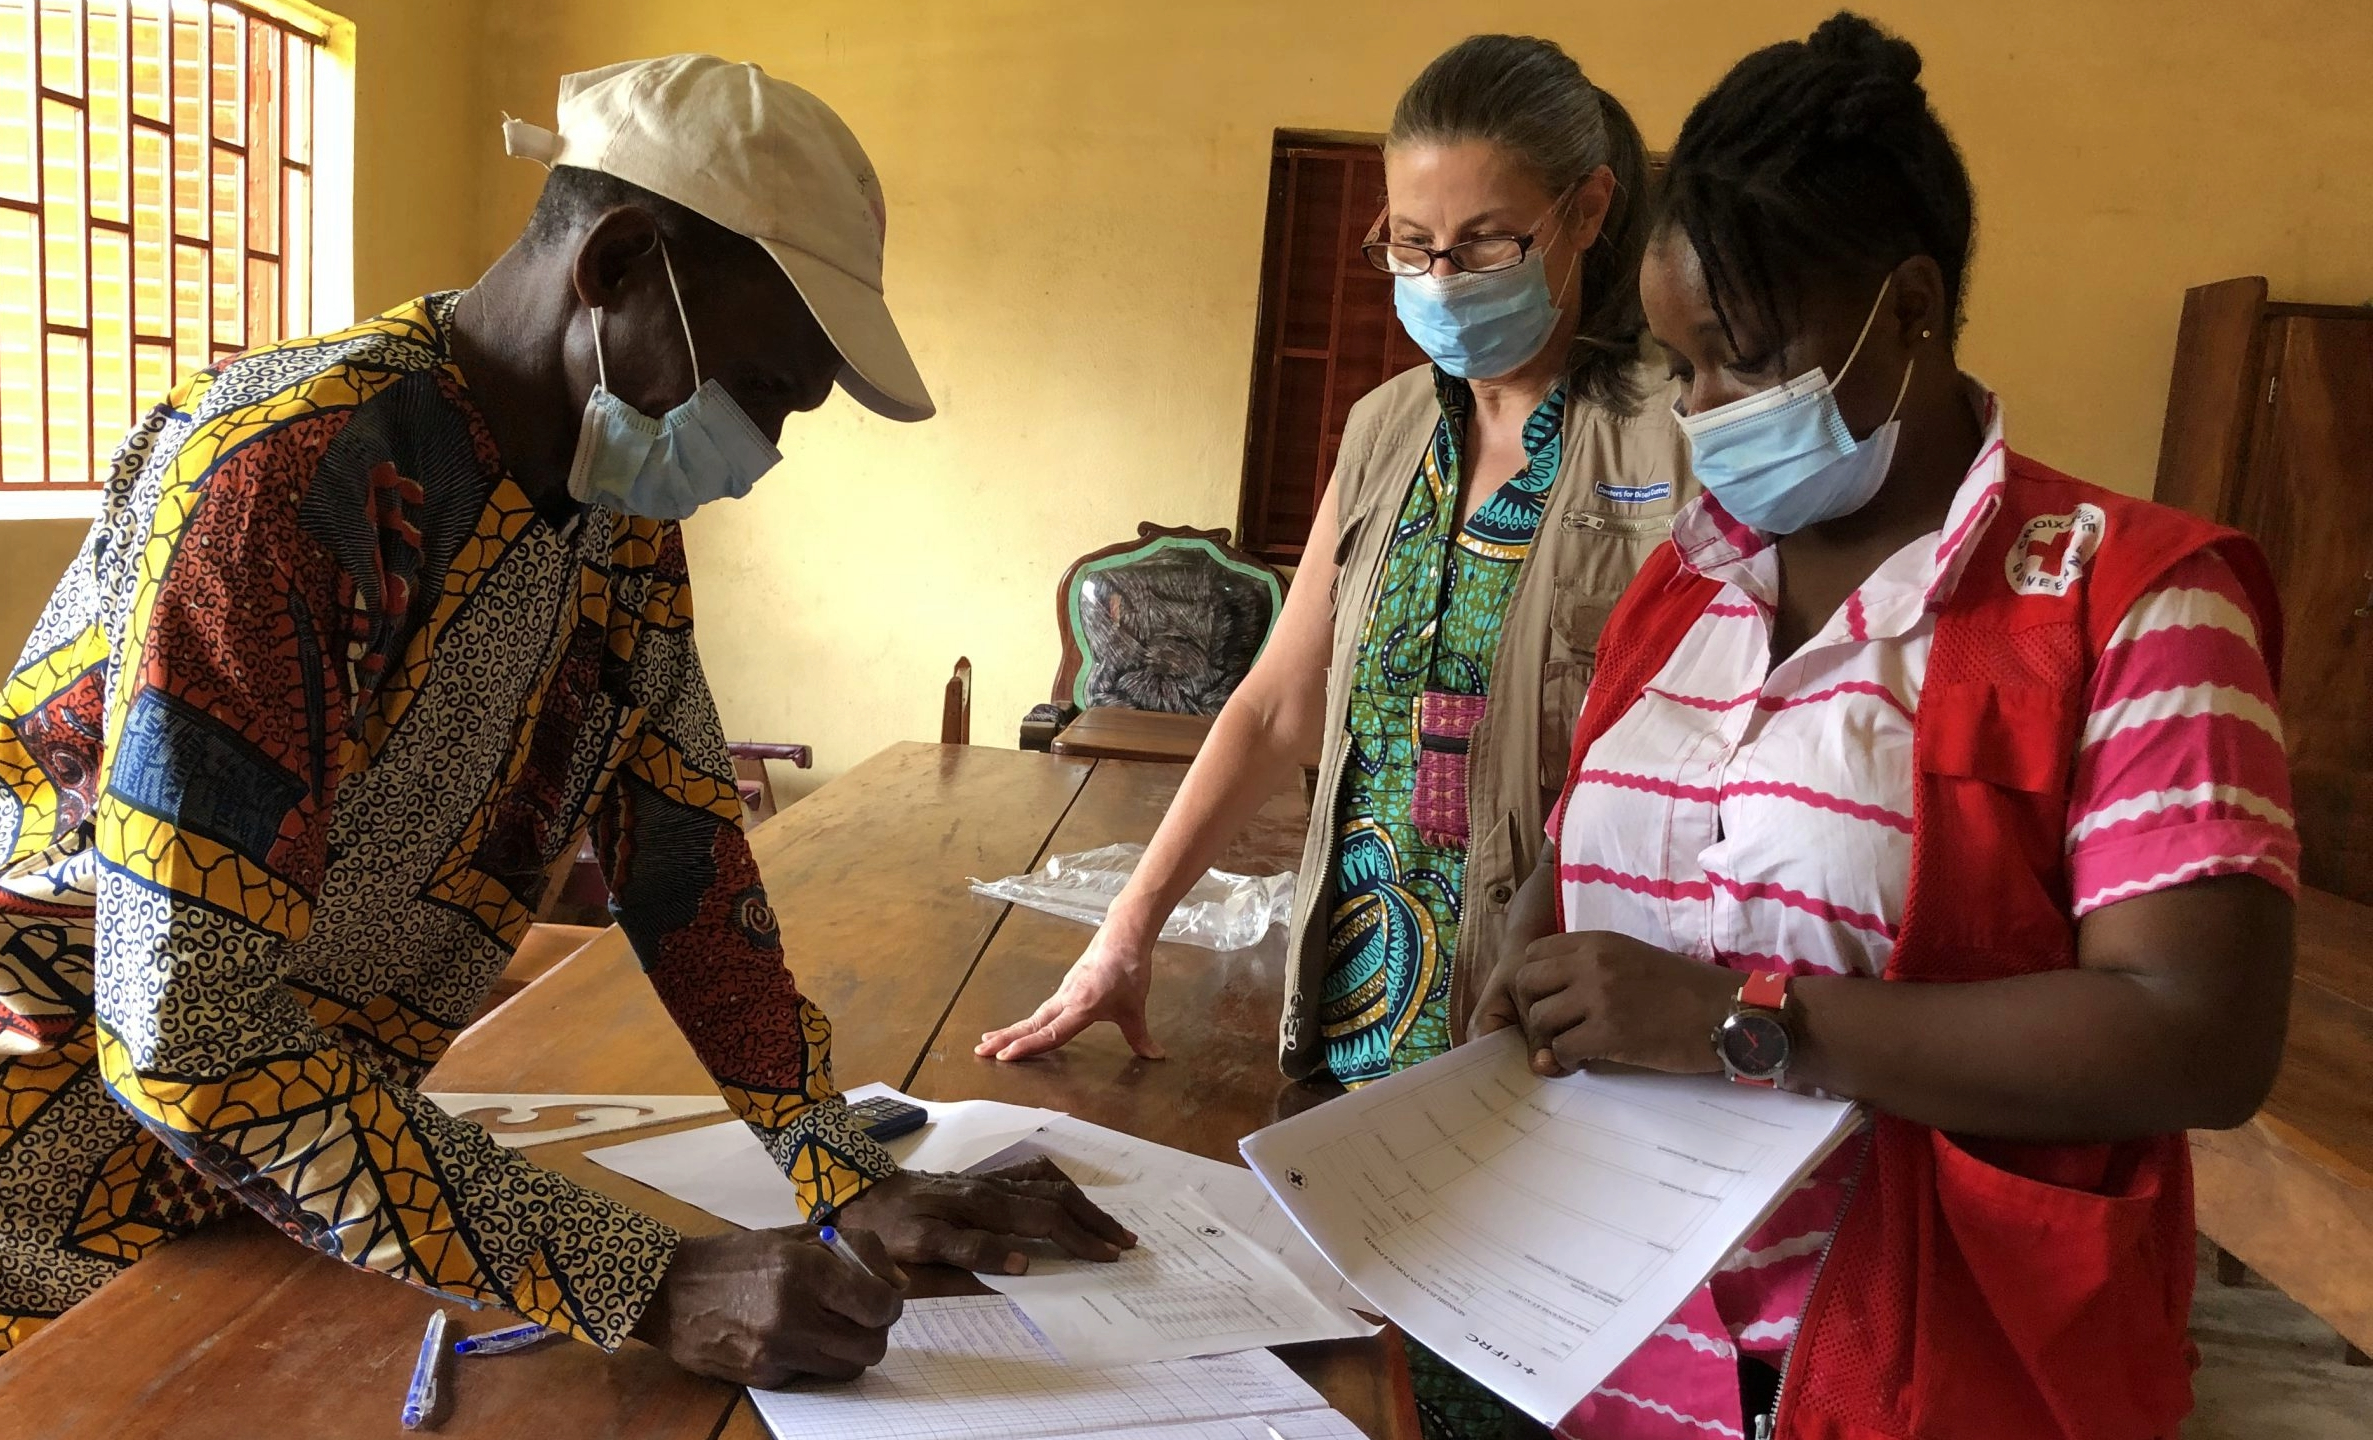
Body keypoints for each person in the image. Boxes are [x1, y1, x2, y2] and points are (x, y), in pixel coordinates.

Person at [0, 55, 1129, 1438]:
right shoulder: (288, 484)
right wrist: (646, 1282)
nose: (764, 449)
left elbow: (678, 852)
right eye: (760, 387)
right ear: (617, 263)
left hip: (267, 1162)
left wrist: (834, 1159)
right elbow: (190, 1037)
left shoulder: (611, 503)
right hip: (3, 1164)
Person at [1467, 15, 2297, 1439]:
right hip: (1621, 1352)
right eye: (1682, 370)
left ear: (1907, 309)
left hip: (1936, 1366)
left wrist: (1742, 1023)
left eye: (1743, 357)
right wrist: (1537, 966)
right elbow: (1618, 844)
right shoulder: (1687, 584)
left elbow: (2199, 1037)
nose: (1706, 411)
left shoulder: (2136, 603)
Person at [982, 34, 1696, 1440]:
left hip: (1550, 1033)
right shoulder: (1384, 430)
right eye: (1411, 243)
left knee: (1514, 1393)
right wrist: (1130, 928)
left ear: (1588, 213)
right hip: (1352, 1030)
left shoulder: (1670, 439)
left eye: (1486, 240)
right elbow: (1275, 703)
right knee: (1338, 1392)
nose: (1443, 279)